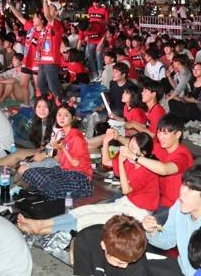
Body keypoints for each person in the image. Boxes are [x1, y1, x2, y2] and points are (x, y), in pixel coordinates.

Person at [17, 132, 159, 235]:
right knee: (85, 210)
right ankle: (41, 224)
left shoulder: (147, 169)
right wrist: (106, 142)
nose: (128, 150)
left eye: (133, 149)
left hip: (139, 213)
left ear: (144, 153)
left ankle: (42, 229)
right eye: (129, 146)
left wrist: (122, 162)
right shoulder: (130, 160)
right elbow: (106, 162)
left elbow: (126, 189)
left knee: (91, 219)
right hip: (126, 203)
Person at [142, 166, 201, 276]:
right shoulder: (180, 205)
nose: (182, 192)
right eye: (184, 184)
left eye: (190, 189)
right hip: (182, 267)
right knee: (138, 263)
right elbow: (168, 241)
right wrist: (152, 231)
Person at [20, 103, 93, 199]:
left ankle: (48, 190)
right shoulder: (62, 134)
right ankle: (46, 189)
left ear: (73, 118)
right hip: (64, 172)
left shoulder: (76, 137)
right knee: (30, 172)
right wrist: (54, 149)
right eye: (59, 115)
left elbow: (75, 164)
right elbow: (59, 160)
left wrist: (61, 148)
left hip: (79, 176)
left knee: (52, 188)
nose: (62, 118)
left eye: (66, 115)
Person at [73, 215, 150, 276]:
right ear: (104, 245)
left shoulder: (138, 263)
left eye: (130, 262)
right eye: (120, 262)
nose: (125, 266)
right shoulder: (86, 238)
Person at [0, 95, 56, 168]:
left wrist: (43, 154)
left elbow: (57, 148)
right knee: (15, 153)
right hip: (45, 152)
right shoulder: (41, 122)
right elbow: (45, 143)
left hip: (54, 157)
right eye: (39, 106)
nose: (41, 110)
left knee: (17, 157)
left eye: (45, 107)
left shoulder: (56, 124)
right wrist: (40, 150)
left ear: (51, 108)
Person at [7, 0, 45, 105]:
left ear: (41, 20)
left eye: (35, 17)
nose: (33, 19)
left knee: (39, 88)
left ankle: (41, 107)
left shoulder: (46, 32)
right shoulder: (31, 28)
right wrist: (11, 5)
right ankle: (27, 105)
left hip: (38, 64)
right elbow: (19, 17)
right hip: (27, 61)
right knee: (23, 84)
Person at [38, 0, 64, 104]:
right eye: (49, 7)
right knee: (41, 84)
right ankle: (48, 104)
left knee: (53, 86)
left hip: (52, 61)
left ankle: (59, 106)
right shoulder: (47, 26)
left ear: (57, 12)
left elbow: (47, 15)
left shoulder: (57, 24)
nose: (49, 8)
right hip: (44, 61)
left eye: (52, 7)